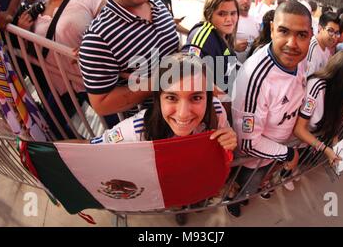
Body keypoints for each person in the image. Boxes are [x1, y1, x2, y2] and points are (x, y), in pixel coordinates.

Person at [72, 53, 237, 225]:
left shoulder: (217, 112)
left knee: (197, 200)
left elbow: (222, 141)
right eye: (171, 97)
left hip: (196, 181)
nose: (183, 114)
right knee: (177, 203)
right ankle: (179, 210)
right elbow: (91, 149)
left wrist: (229, 141)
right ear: (158, 98)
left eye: (196, 97)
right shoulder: (136, 130)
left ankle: (195, 203)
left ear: (208, 97)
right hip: (169, 188)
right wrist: (47, 158)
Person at [227, 0, 312, 217]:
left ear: (310, 35)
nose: (292, 43)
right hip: (253, 159)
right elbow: (248, 142)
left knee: (254, 185)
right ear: (272, 29)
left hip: (274, 153)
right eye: (284, 31)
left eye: (301, 35)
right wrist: (288, 153)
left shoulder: (298, 60)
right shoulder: (256, 78)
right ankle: (234, 202)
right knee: (245, 187)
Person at [79, 0, 179, 116]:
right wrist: (161, 80)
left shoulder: (159, 6)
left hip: (185, 115)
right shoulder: (98, 37)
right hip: (151, 128)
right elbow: (102, 104)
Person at [17, 0, 107, 138]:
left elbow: (113, 25)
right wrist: (23, 33)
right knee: (51, 129)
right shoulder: (36, 14)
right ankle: (88, 152)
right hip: (62, 88)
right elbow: (32, 55)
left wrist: (92, 44)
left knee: (119, 128)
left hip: (97, 81)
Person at [294, 50, 343, 176]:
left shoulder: (340, 92)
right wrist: (325, 149)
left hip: (306, 143)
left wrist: (336, 145)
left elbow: (335, 116)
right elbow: (299, 129)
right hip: (290, 143)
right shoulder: (317, 86)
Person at [183, 0, 239, 98]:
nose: (229, 19)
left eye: (233, 13)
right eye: (222, 14)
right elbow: (188, 72)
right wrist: (224, 101)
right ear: (208, 14)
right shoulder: (203, 34)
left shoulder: (223, 34)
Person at [306, 12, 340, 77]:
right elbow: (307, 80)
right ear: (320, 28)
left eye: (336, 33)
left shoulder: (326, 47)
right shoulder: (312, 48)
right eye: (330, 31)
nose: (334, 36)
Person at [231, 0, 259, 64]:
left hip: (250, 68)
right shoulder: (230, 20)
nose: (246, 1)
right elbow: (217, 43)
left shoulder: (255, 20)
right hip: (232, 68)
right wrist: (232, 46)